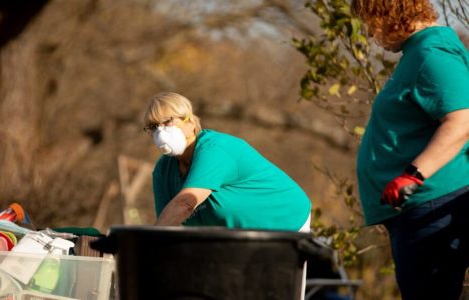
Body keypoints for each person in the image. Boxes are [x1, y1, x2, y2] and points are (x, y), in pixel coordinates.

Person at [352, 0, 469, 299]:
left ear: (389, 14)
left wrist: (413, 175)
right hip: (417, 208)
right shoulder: (417, 53)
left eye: (369, 22)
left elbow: (462, 120)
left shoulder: (431, 55)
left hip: (432, 201)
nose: (370, 33)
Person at [143, 91, 311, 232]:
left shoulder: (215, 150)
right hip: (239, 239)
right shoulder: (162, 170)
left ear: (191, 122)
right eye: (153, 126)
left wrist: (145, 245)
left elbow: (186, 203)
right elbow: (166, 227)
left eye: (168, 121)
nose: (160, 131)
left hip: (286, 222)